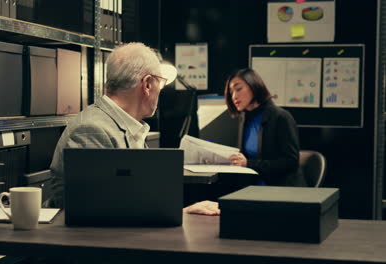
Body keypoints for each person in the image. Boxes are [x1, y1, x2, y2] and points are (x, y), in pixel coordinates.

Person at [49, 42, 219, 215]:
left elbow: (131, 199)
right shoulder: (91, 129)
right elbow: (100, 212)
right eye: (160, 83)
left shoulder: (126, 125)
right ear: (147, 85)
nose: (160, 91)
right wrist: (180, 214)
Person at [225, 68, 306, 187]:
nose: (234, 96)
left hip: (280, 190)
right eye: (231, 92)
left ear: (254, 86)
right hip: (252, 188)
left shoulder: (281, 117)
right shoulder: (244, 119)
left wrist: (249, 163)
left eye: (238, 89)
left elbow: (291, 162)